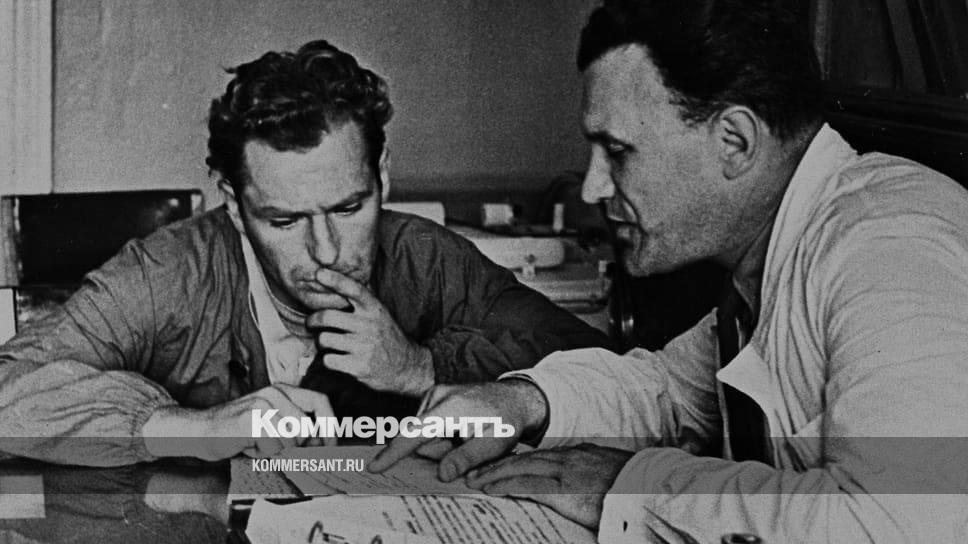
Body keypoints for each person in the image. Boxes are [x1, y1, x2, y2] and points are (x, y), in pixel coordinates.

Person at [372, 1, 968, 542]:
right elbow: (667, 393)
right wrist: (525, 401)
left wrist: (631, 487)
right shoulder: (775, 257)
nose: (593, 187)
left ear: (734, 142)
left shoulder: (889, 244)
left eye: (618, 151)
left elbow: (904, 522)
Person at [0, 40, 611, 467]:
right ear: (235, 205)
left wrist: (420, 368)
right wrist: (192, 427)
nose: (326, 252)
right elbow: (8, 386)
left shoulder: (425, 257)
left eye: (349, 209)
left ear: (382, 177)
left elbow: (606, 367)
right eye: (285, 220)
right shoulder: (168, 273)